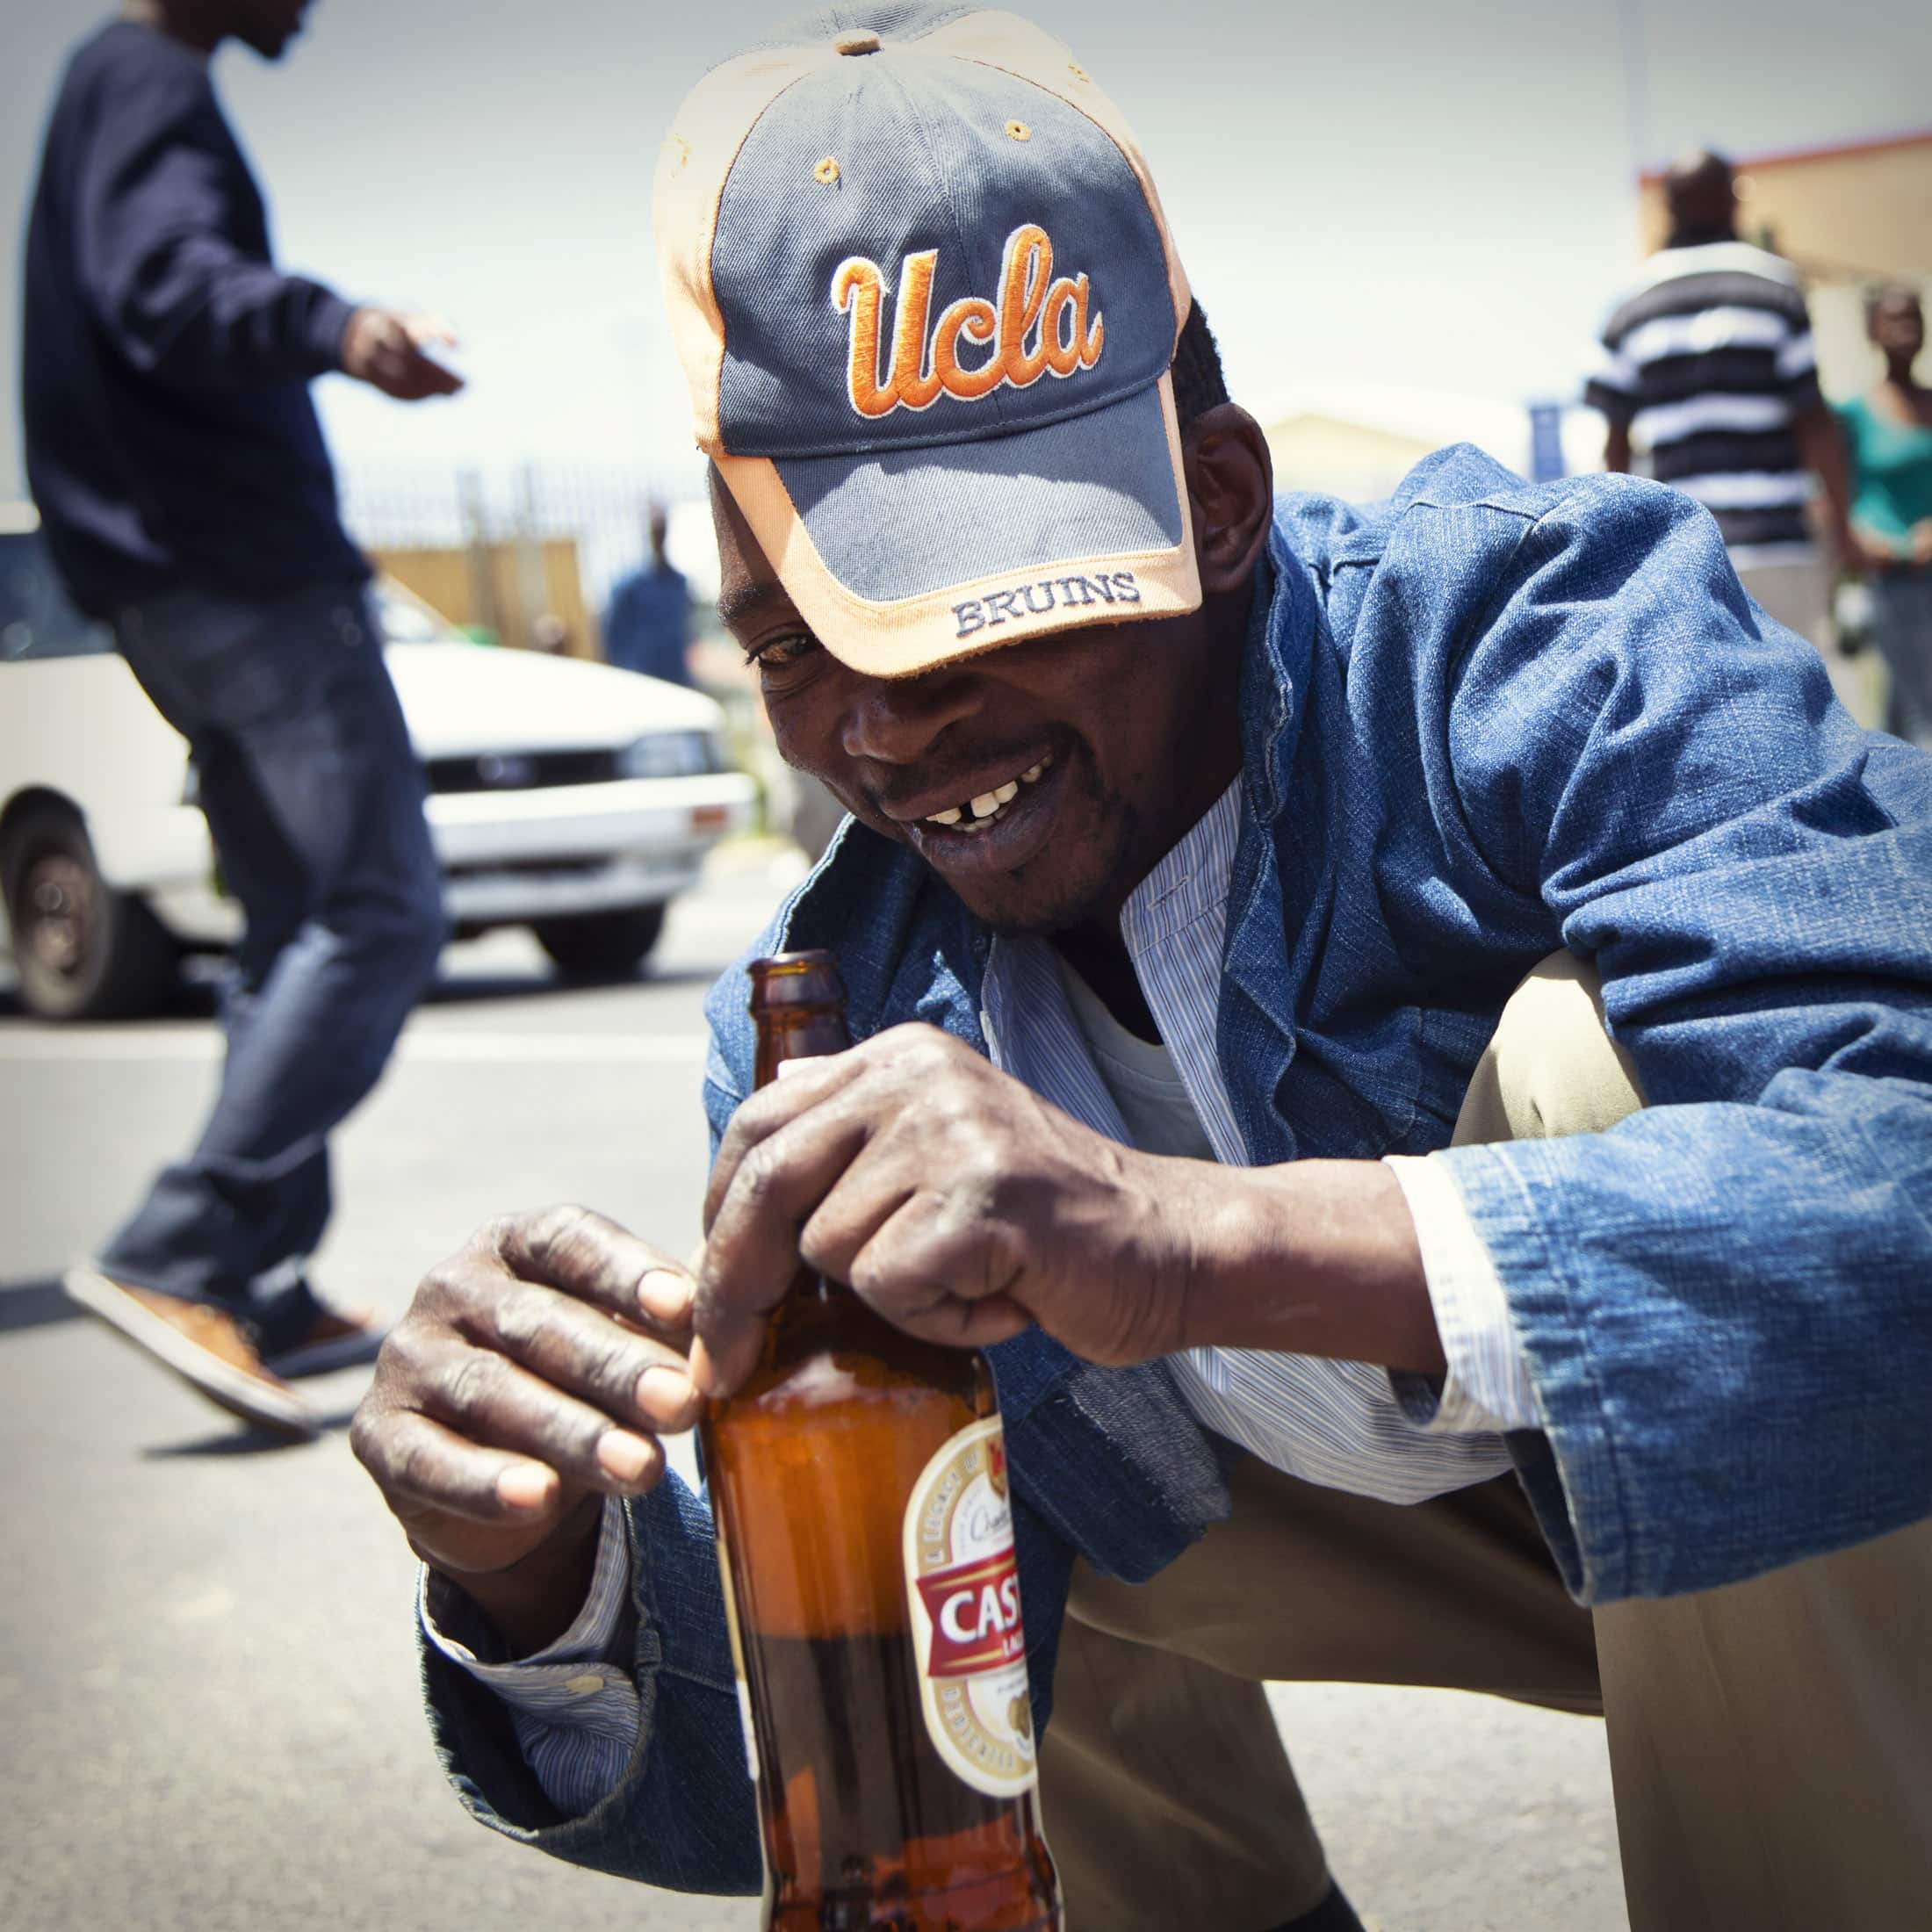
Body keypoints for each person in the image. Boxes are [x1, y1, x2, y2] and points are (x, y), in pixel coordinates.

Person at [351, 11, 1932, 1929]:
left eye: (947, 618)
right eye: (789, 646)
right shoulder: (831, 1002)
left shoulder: (1527, 636)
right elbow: (800, 1743)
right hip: (1424, 1535)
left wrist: (1175, 1235)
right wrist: (529, 1570)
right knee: (916, 1390)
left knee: (1583, 1068)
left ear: (1213, 504)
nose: (874, 734)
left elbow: (1896, 1165)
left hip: (1842, 1528)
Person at [24, 0, 461, 1438]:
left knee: (294, 926)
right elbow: (166, 288)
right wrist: (334, 325)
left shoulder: (114, 82)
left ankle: (259, 1277)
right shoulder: (148, 78)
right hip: (246, 578)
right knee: (378, 907)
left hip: (176, 583)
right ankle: (182, 1247)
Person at [1585, 148, 1869, 674]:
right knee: (1796, 709)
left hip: (1680, 550)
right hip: (1775, 540)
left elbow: (1616, 444)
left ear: (1669, 208)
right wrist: (1845, 529)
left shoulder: (1631, 302)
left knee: (1703, 712)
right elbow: (1813, 421)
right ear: (1733, 200)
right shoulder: (1775, 288)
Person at [1837, 285, 1932, 749]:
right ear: (1871, 331)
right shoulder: (1852, 414)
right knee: (1907, 706)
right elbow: (1831, 492)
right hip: (1884, 581)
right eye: (1893, 318)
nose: (1905, 328)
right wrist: (1857, 539)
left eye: (1914, 317)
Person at [600, 503, 691, 684]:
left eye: (661, 528)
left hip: (676, 676)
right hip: (642, 678)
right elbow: (612, 639)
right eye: (654, 529)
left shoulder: (679, 583)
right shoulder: (628, 587)